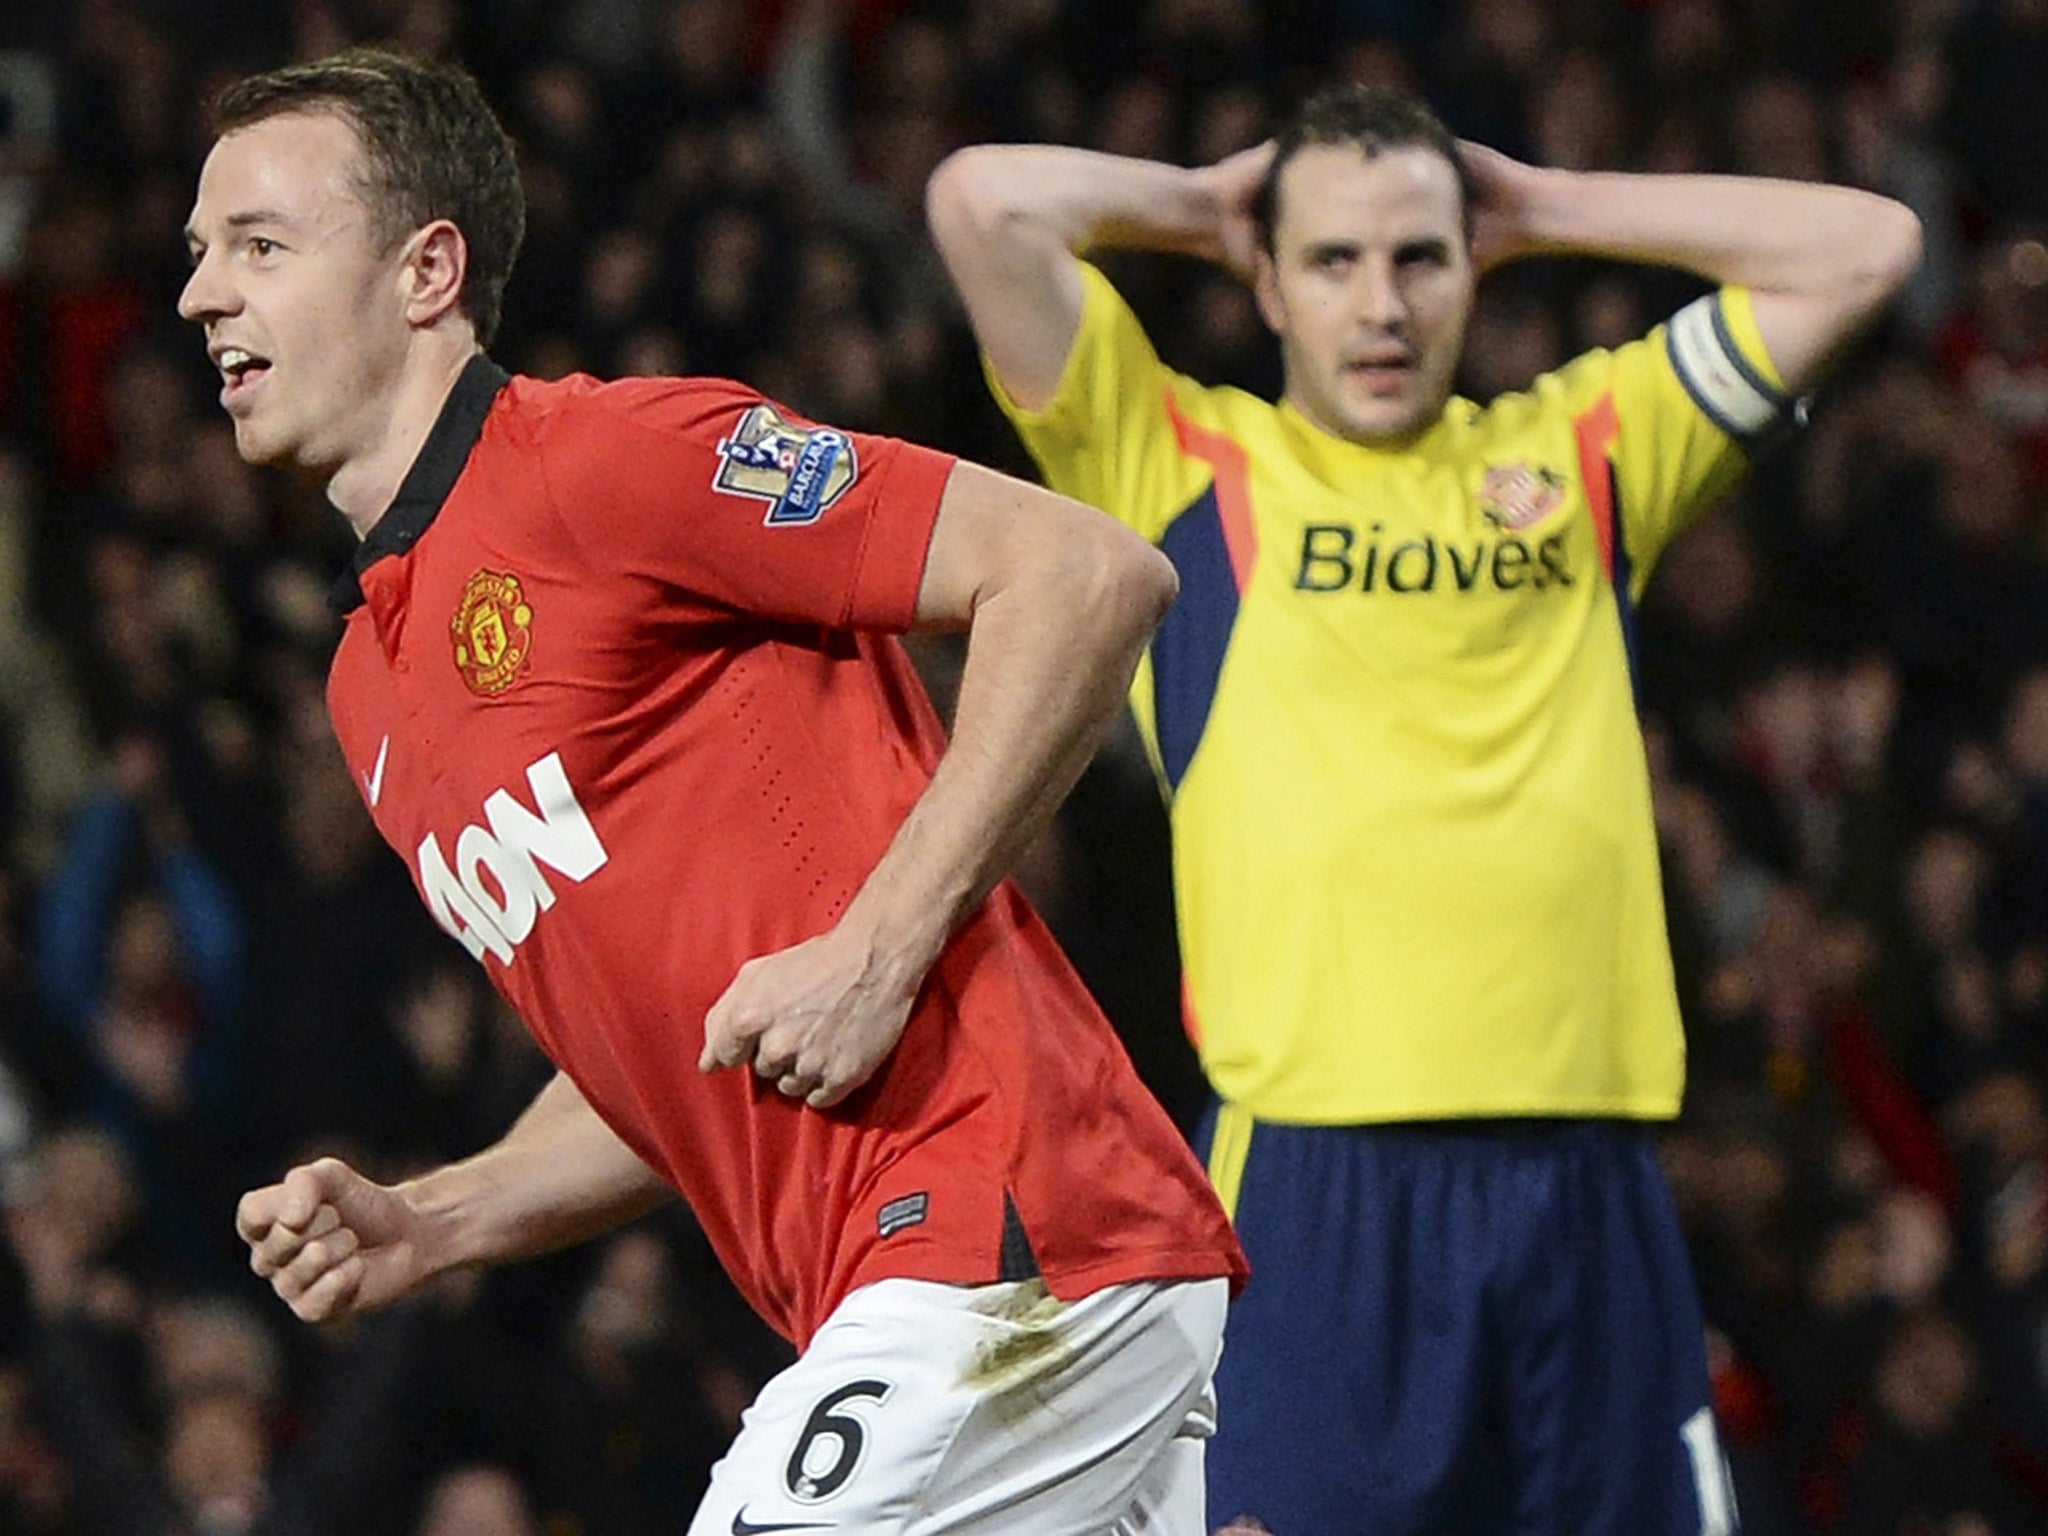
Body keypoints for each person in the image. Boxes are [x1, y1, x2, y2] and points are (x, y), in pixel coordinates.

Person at [179, 47, 1248, 1536]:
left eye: (258, 246)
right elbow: (668, 1060)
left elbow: (1084, 573)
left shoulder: (607, 459)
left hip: (1006, 1223)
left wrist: (879, 949)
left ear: (427, 271)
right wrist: (436, 1220)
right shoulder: (368, 692)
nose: (201, 296)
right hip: (902, 1286)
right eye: (197, 254)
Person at [926, 82, 1921, 1536]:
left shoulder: (1587, 450)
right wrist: (1211, 207)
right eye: (1333, 260)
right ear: (1266, 281)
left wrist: (1544, 204)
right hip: (1323, 1184)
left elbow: (1868, 245)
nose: (1381, 303)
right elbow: (981, 202)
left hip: (1587, 1173)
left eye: (1422, 257)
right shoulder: (1181, 469)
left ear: (1478, 268)